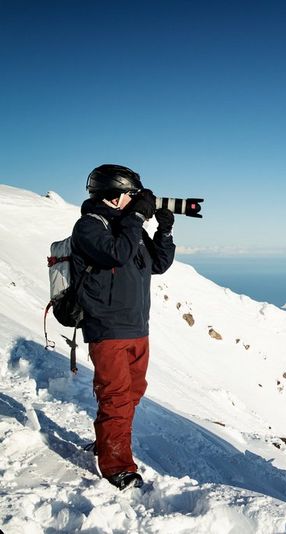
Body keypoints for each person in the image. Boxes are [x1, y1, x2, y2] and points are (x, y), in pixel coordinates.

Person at [71, 164, 175, 490]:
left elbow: (157, 264)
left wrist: (164, 231)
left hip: (136, 326)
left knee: (131, 394)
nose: (136, 200)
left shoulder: (129, 227)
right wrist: (137, 219)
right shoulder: (90, 226)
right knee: (116, 397)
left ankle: (107, 443)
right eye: (131, 194)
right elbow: (115, 254)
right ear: (113, 195)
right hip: (108, 327)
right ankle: (117, 467)